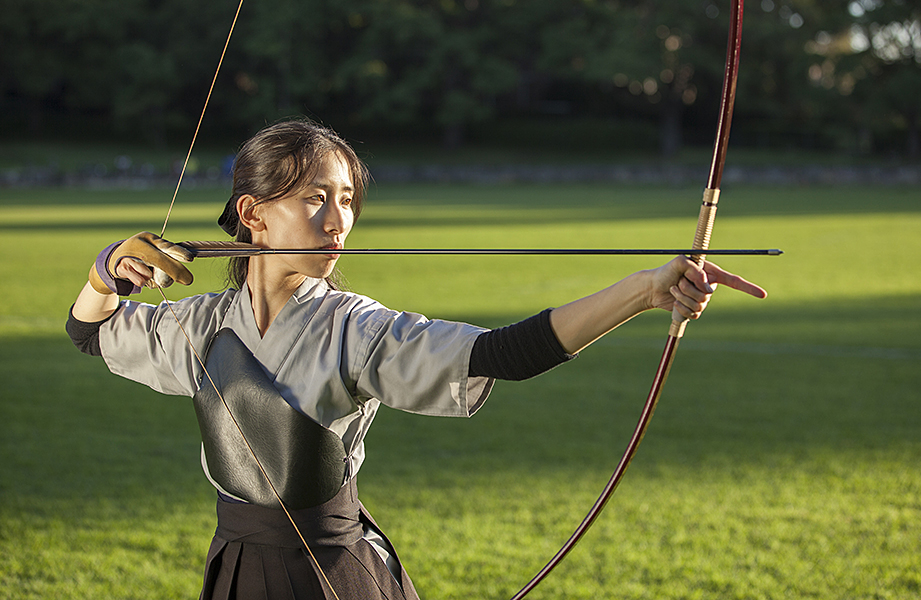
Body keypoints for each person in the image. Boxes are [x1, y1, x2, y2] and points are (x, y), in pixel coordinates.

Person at [66, 119, 767, 600]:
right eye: (315, 198)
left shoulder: (354, 327)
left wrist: (645, 289)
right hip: (239, 564)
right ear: (253, 214)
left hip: (334, 572)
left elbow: (503, 354)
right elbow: (91, 332)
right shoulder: (201, 325)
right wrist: (106, 272)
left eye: (346, 201)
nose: (337, 220)